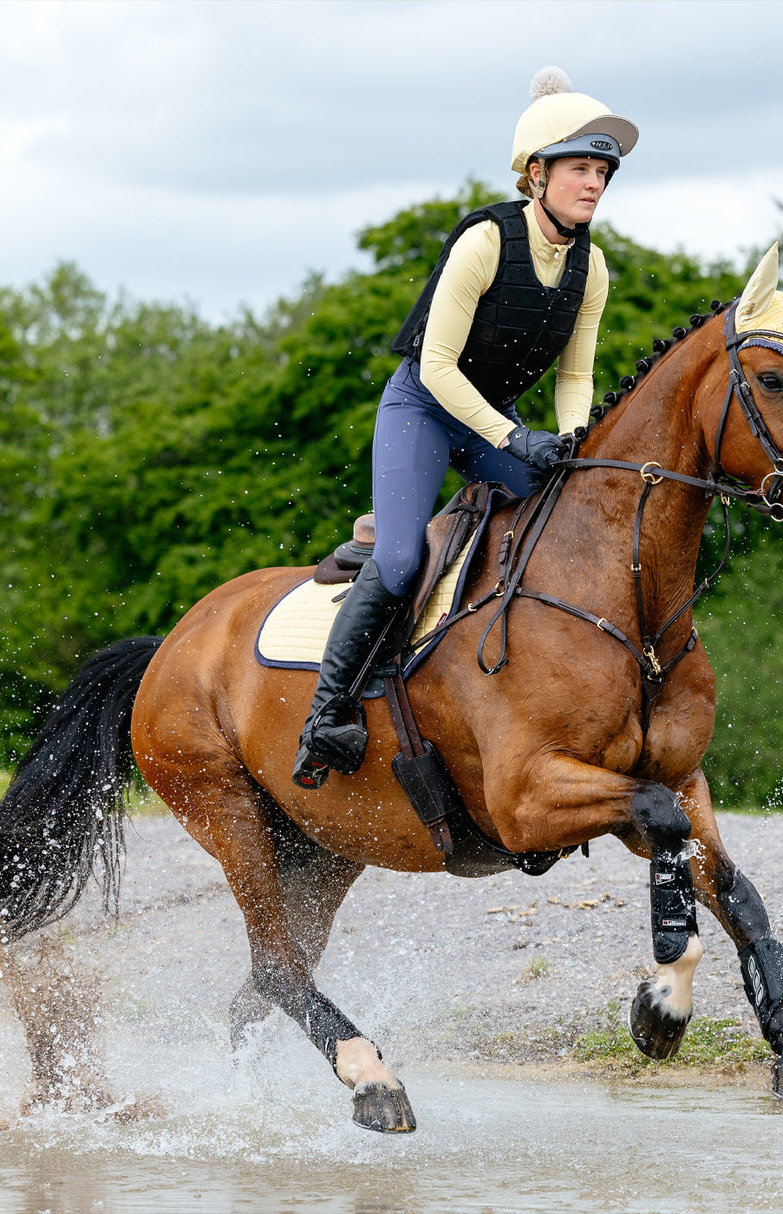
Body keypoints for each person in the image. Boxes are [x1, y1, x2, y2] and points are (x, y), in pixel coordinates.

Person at [293, 67, 639, 789]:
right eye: (581, 168)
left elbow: (576, 377)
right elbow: (440, 366)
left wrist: (571, 443)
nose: (595, 183)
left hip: (492, 426)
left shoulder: (593, 267)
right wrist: (517, 439)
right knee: (395, 563)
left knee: (560, 517)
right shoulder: (485, 241)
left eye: (603, 171)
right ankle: (326, 715)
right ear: (535, 174)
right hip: (423, 407)